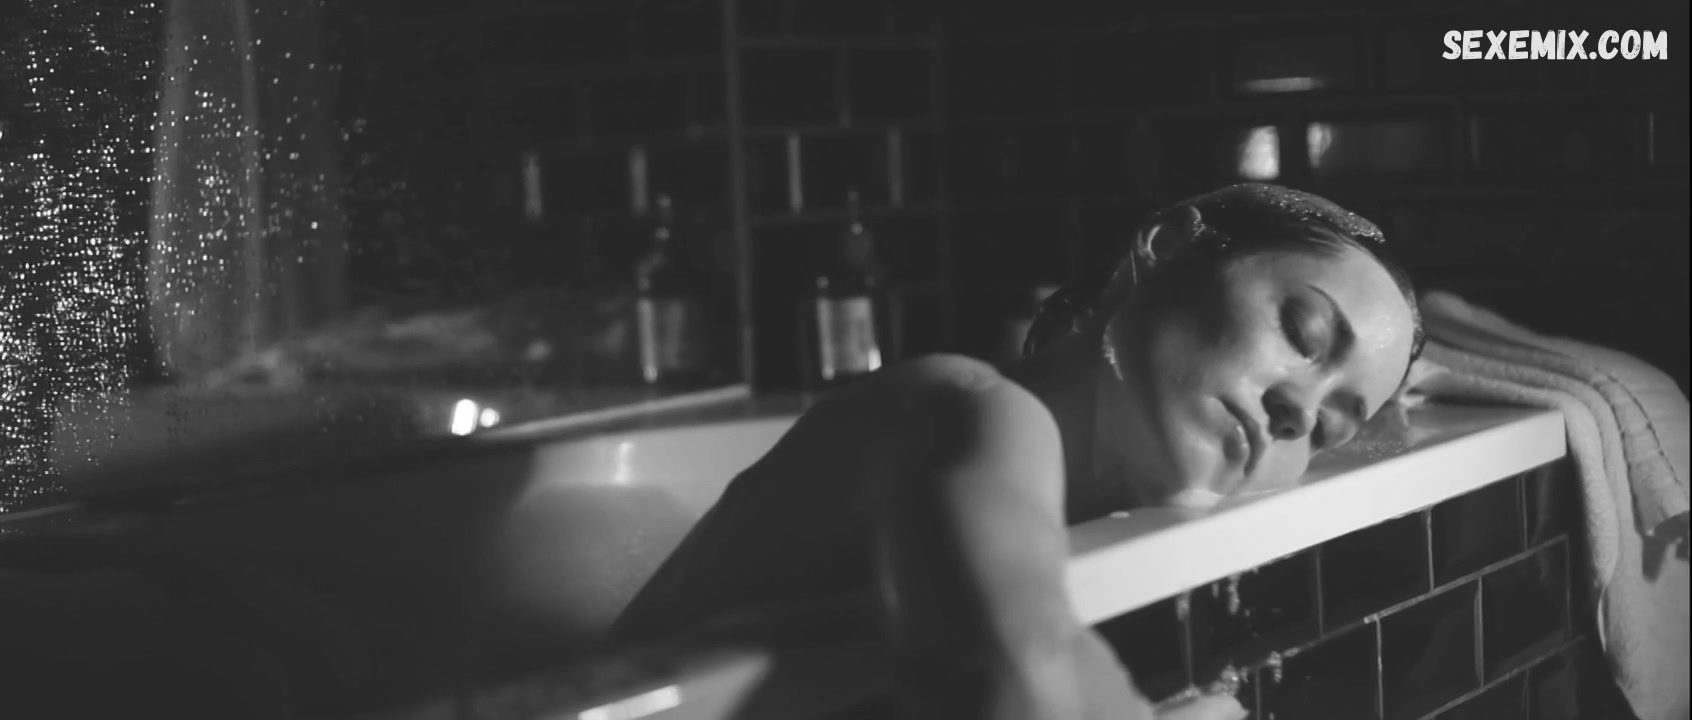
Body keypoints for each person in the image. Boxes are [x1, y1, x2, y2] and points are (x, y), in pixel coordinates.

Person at [612, 183, 1425, 720]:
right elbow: (1016, 684)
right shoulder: (965, 410)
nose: (1299, 409)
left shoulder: (1064, 503)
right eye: (1302, 332)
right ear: (1168, 248)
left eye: (1331, 427)